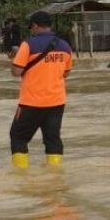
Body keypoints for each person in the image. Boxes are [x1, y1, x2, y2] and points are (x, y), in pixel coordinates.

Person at [9, 11, 74, 168]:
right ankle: (55, 174)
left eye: (31, 27)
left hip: (32, 101)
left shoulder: (28, 45)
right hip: (57, 101)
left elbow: (16, 72)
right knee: (52, 139)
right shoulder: (65, 46)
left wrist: (14, 57)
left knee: (18, 137)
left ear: (36, 26)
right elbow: (66, 73)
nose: (31, 30)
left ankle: (21, 175)